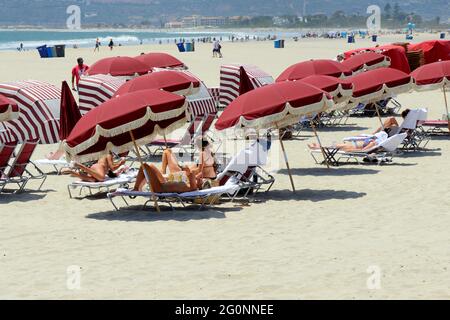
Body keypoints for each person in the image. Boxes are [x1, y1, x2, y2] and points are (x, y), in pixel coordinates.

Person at [308, 131, 388, 153]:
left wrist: (351, 151)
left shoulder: (373, 143)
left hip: (351, 147)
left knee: (334, 146)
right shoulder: (371, 140)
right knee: (334, 146)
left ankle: (316, 147)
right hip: (351, 145)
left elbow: (363, 151)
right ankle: (318, 146)